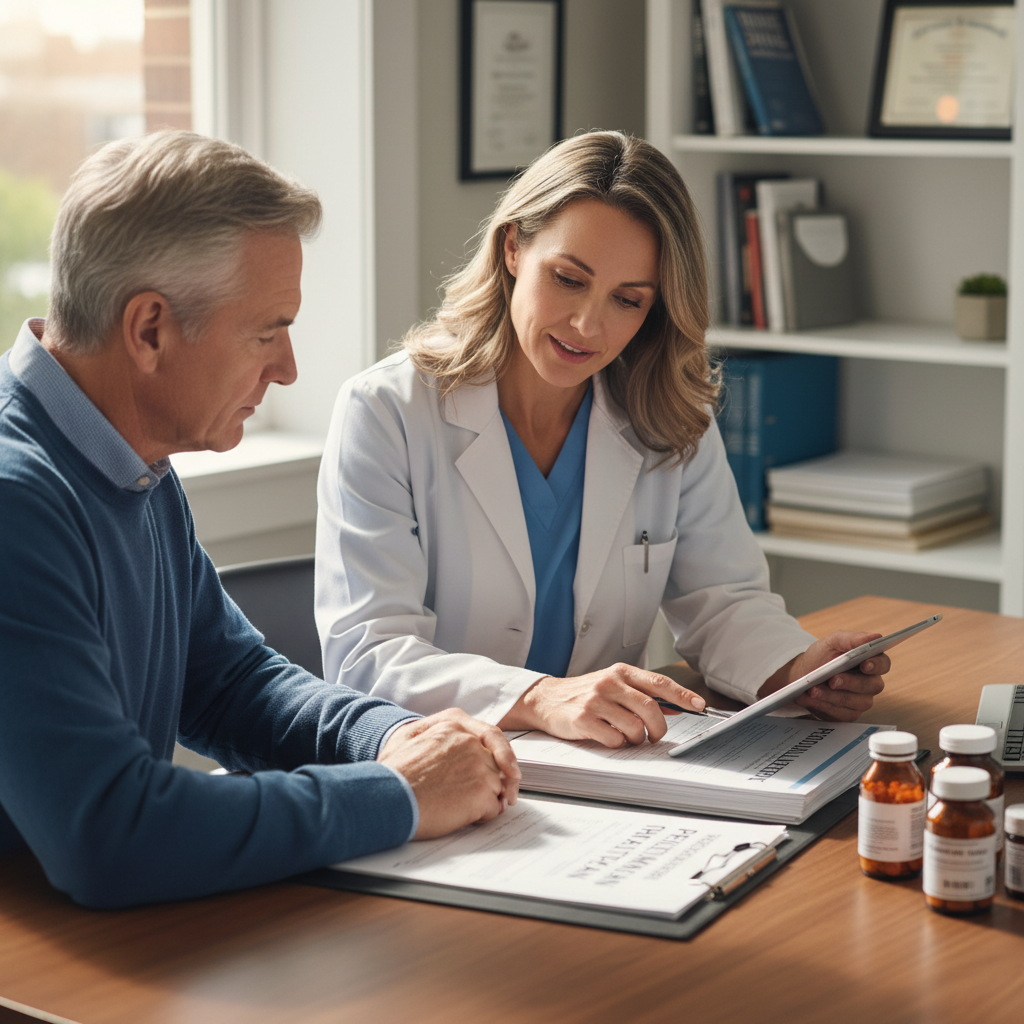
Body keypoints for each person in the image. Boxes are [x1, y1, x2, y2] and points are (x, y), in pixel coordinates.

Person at [0, 130, 519, 910]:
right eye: (267, 329)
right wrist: (398, 794)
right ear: (149, 330)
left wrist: (389, 736)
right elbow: (110, 834)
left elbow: (227, 683)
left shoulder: (127, 459)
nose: (288, 367)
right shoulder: (18, 503)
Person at [315, 131, 890, 747]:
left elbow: (721, 600)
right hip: (448, 764)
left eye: (627, 299)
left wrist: (798, 669)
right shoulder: (387, 412)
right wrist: (538, 697)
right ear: (513, 249)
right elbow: (368, 654)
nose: (588, 325)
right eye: (567, 278)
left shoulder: (667, 413)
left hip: (604, 769)